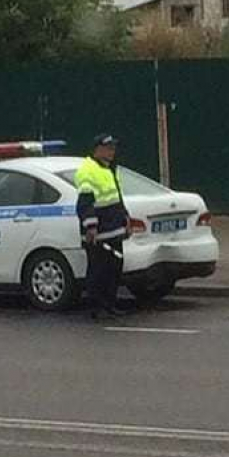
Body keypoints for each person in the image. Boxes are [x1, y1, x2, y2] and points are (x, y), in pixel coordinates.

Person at [75, 134, 131, 320]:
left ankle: (110, 304)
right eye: (108, 148)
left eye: (113, 148)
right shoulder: (87, 170)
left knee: (114, 268)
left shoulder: (109, 169)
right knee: (98, 270)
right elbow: (85, 203)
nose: (112, 151)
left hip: (113, 230)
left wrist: (126, 219)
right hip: (98, 235)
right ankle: (96, 307)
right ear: (97, 149)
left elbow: (116, 198)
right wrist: (91, 227)